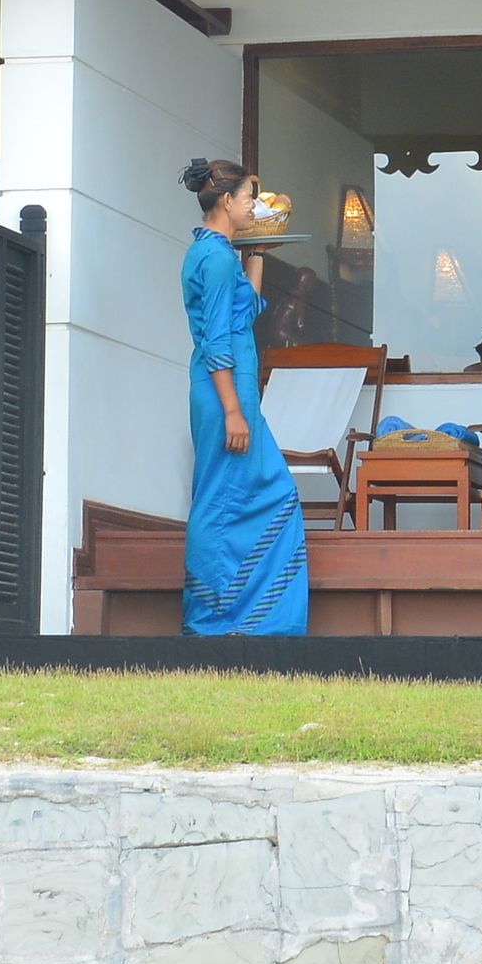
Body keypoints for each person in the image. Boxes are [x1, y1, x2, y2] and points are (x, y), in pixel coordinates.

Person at [179, 156, 309, 636]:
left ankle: (247, 619)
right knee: (221, 499)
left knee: (268, 495)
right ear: (226, 201)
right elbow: (215, 340)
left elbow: (245, 311)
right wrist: (234, 412)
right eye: (249, 196)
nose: (254, 203)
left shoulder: (219, 252)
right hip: (224, 396)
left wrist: (257, 249)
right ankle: (210, 622)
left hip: (237, 393)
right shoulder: (212, 259)